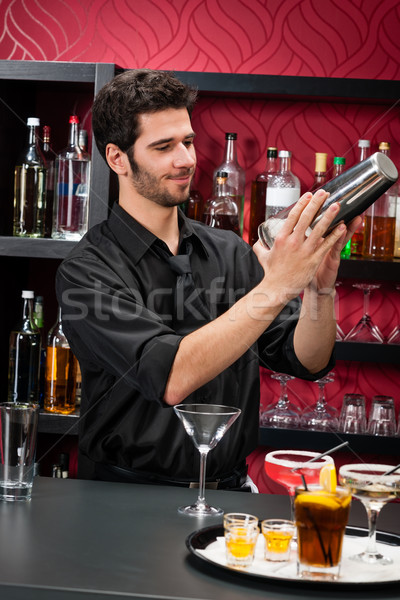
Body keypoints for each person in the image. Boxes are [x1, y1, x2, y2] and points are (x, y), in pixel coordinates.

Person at [56, 69, 360, 490]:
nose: (186, 159)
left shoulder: (229, 251)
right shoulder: (87, 270)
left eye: (188, 141)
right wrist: (276, 286)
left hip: (231, 493)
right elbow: (172, 378)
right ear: (116, 158)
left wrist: (317, 287)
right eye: (164, 147)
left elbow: (306, 360)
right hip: (125, 500)